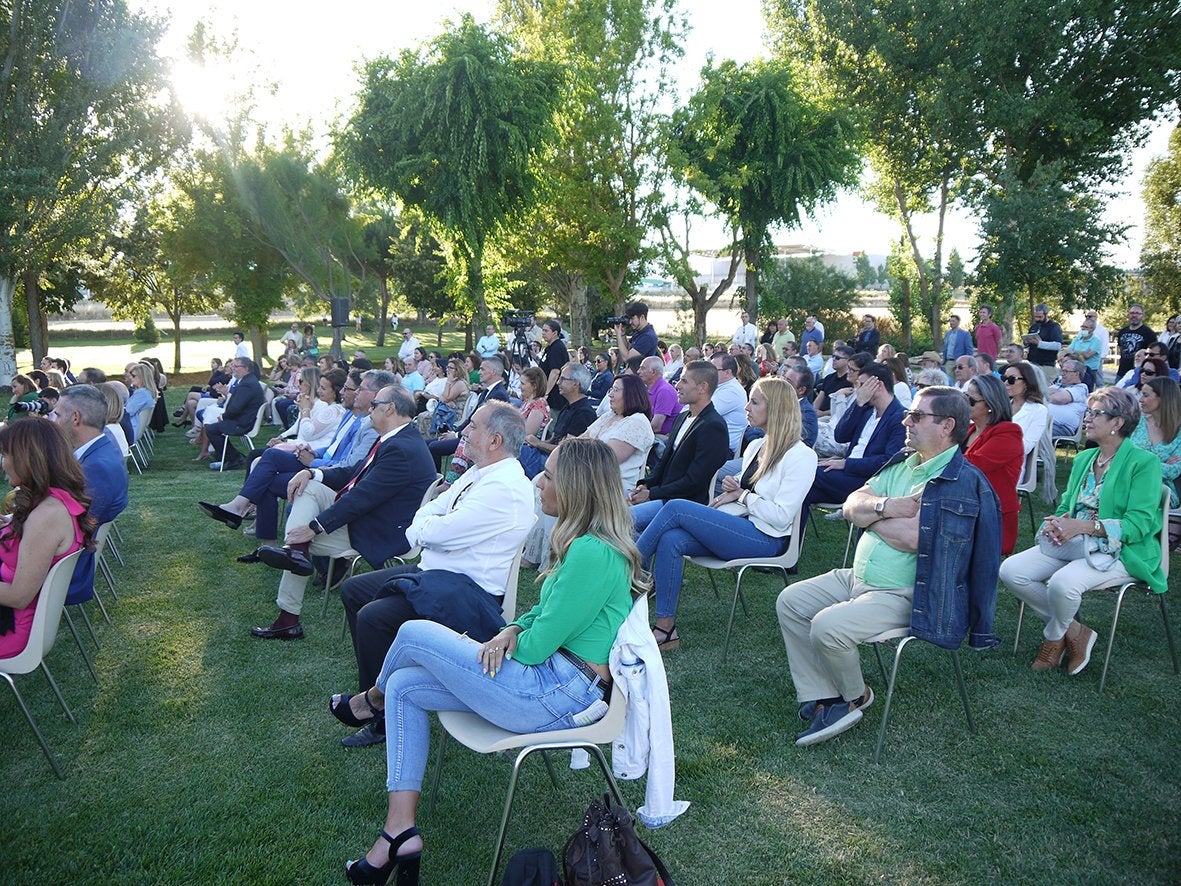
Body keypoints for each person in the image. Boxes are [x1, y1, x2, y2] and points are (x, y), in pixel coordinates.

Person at [335, 438, 639, 882]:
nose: (540, 481)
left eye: (550, 476)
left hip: (558, 694)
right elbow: (539, 616)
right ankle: (398, 833)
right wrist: (513, 628)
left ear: (576, 488)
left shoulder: (593, 552)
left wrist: (518, 636)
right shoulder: (585, 544)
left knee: (412, 632)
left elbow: (538, 646)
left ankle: (370, 700)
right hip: (551, 681)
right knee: (407, 686)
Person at [778, 385, 1001, 746]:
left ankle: (854, 697)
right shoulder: (904, 461)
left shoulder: (959, 482)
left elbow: (911, 539)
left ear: (947, 425)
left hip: (909, 592)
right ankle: (826, 694)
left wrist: (868, 516)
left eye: (916, 416)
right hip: (859, 579)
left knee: (827, 627)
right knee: (791, 601)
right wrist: (884, 508)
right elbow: (851, 502)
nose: (905, 420)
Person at [336, 401, 536, 748]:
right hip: (436, 575)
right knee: (354, 591)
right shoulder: (482, 471)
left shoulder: (505, 487)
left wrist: (426, 529)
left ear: (495, 440)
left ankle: (380, 710)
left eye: (473, 426)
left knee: (374, 617)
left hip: (467, 593)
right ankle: (382, 694)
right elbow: (431, 513)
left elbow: (434, 533)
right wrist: (427, 528)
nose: (464, 433)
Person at [241, 384, 435, 641]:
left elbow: (362, 498)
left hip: (377, 531)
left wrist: (315, 527)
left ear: (390, 409)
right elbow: (354, 474)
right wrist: (311, 472)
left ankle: (288, 611)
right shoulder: (397, 439)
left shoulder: (401, 448)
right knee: (307, 487)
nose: (370, 409)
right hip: (370, 517)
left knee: (300, 537)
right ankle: (294, 555)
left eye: (375, 404)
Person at [638, 377, 816, 651]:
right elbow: (747, 494)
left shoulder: (801, 456)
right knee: (671, 538)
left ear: (777, 409)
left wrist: (744, 495)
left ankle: (626, 570)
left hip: (768, 540)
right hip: (742, 525)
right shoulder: (757, 446)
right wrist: (736, 493)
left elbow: (781, 516)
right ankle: (666, 630)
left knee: (675, 507)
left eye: (754, 402)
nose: (746, 407)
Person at [1000, 386, 1164, 675]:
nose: (1086, 419)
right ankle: (1075, 631)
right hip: (1076, 542)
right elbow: (1069, 505)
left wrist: (1084, 526)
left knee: (1063, 584)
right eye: (1088, 412)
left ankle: (1053, 639)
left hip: (1121, 550)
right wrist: (1061, 521)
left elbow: (1139, 524)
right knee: (1011, 571)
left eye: (1096, 413)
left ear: (1118, 422)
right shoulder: (1084, 459)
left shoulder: (1144, 463)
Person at [198, 370, 389, 545]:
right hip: (319, 461)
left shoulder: (363, 422)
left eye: (353, 389)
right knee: (270, 456)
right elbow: (332, 448)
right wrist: (313, 452)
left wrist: (312, 461)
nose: (347, 393)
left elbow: (348, 466)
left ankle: (260, 534)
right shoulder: (350, 415)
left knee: (267, 477)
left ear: (375, 394)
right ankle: (241, 511)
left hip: (329, 476)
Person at [0, 419, 95, 658]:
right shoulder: (55, 500)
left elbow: (19, 596)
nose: (3, 463)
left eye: (5, 455)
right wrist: (9, 526)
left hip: (11, 631)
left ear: (27, 458)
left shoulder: (47, 516)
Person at [628, 361, 730, 532]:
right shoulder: (682, 418)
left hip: (683, 503)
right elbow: (664, 462)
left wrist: (652, 494)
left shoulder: (713, 426)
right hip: (663, 496)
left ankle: (634, 557)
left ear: (702, 387)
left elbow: (694, 481)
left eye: (684, 381)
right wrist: (646, 485)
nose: (677, 385)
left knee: (619, 522)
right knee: (614, 517)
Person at [53, 385, 129, 606]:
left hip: (64, 572)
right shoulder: (102, 447)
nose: (53, 420)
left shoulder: (97, 467)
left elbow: (72, 525)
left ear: (75, 418)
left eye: (57, 414)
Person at [805, 362, 907, 508]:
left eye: (862, 385)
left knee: (804, 473)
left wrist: (846, 464)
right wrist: (857, 405)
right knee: (802, 494)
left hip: (867, 481)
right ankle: (789, 531)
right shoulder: (865, 410)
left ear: (878, 386)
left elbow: (887, 460)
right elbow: (840, 435)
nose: (858, 390)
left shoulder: (899, 418)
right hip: (844, 474)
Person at [962, 374, 1025, 555]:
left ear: (990, 405)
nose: (965, 403)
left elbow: (974, 464)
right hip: (966, 506)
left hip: (989, 515)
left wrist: (937, 452)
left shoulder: (1008, 432)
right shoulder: (969, 430)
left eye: (971, 400)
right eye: (964, 397)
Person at [584, 374, 655, 490]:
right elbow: (580, 439)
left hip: (612, 487)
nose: (610, 394)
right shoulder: (609, 415)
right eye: (611, 389)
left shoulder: (637, 422)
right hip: (588, 476)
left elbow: (606, 458)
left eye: (616, 390)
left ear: (631, 394)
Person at [204, 358, 265, 470]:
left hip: (243, 423)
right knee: (213, 426)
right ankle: (231, 457)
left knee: (211, 429)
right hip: (243, 419)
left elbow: (235, 408)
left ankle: (233, 459)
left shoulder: (247, 384)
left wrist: (222, 417)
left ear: (246, 369)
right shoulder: (248, 381)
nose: (233, 369)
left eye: (237, 367)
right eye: (233, 366)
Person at [1132, 376, 1181, 509]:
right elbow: (1121, 456)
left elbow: (1173, 471)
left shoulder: (1179, 432)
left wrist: (1135, 463)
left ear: (1163, 398)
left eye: (1146, 395)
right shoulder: (1136, 424)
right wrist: (1160, 464)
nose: (1140, 400)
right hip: (1128, 482)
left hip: (1161, 491)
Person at [1004, 360, 1050, 457]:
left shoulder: (1038, 410)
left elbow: (1026, 446)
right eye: (1004, 378)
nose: (1006, 383)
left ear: (1026, 383)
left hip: (1012, 462)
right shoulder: (1001, 405)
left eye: (1011, 379)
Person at [709, 353, 748, 456]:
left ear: (727, 372)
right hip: (710, 443)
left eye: (713, 369)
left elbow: (702, 413)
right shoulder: (719, 386)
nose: (708, 372)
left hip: (722, 450)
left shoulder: (732, 391)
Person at [638, 356, 680, 437]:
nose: (638, 371)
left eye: (642, 368)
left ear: (653, 372)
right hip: (650, 433)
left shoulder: (664, 391)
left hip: (661, 438)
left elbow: (656, 427)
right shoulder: (648, 389)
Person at [1023, 303, 1064, 385]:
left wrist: (1040, 343)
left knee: (1046, 387)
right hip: (1033, 362)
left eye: (1040, 317)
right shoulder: (1034, 327)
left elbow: (1057, 345)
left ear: (1046, 315)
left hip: (1046, 364)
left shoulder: (1053, 327)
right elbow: (1027, 345)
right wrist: (1026, 342)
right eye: (1036, 317)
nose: (1037, 319)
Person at [1047, 360, 1089, 436]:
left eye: (1066, 371)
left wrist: (1047, 394)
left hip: (1061, 427)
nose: (1062, 374)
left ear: (1076, 374)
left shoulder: (1081, 389)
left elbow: (1059, 399)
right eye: (1062, 370)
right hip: (1043, 421)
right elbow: (1038, 394)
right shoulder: (1056, 386)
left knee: (1035, 430)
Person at [1114, 303, 1156, 379]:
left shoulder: (1149, 333)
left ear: (1142, 315)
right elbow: (1121, 349)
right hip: (1122, 372)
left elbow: (1152, 355)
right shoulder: (1122, 331)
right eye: (1132, 313)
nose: (1134, 315)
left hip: (1139, 373)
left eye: (1137, 313)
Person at [538, 320, 570, 413]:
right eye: (542, 330)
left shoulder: (557, 348)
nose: (543, 333)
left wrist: (546, 392)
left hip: (555, 394)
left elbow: (555, 372)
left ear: (555, 333)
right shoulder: (549, 347)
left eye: (546, 331)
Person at [1066, 316, 1103, 389]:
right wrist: (1079, 352)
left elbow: (1087, 355)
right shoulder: (1077, 339)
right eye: (1082, 326)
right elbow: (1068, 351)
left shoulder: (1096, 341)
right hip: (1076, 369)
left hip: (1090, 370)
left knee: (1087, 390)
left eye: (1086, 327)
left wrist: (1074, 352)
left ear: (1092, 329)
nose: (1083, 328)